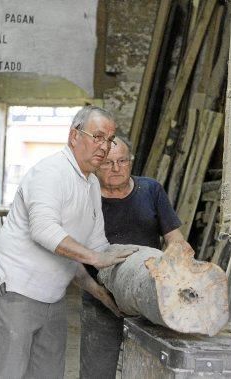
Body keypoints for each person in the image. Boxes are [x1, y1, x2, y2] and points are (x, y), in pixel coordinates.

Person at [0, 106, 136, 379]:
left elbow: (96, 245)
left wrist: (112, 284)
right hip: (16, 291)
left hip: (53, 296)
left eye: (110, 139)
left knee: (48, 373)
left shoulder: (90, 184)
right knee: (6, 373)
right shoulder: (50, 173)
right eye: (98, 136)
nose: (105, 146)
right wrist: (97, 258)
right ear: (74, 136)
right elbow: (44, 230)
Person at [79, 135, 185, 379]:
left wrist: (177, 270)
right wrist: (101, 295)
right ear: (96, 165)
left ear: (131, 161)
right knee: (97, 373)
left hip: (149, 295)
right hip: (100, 299)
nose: (116, 168)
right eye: (107, 163)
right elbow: (69, 255)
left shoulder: (150, 190)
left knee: (149, 369)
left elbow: (175, 239)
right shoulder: (85, 197)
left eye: (123, 161)